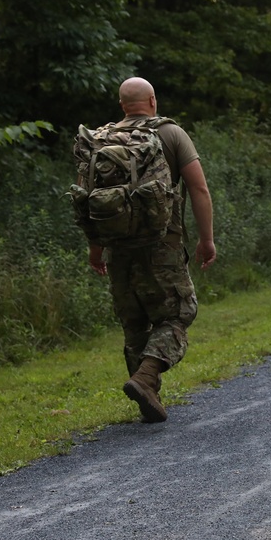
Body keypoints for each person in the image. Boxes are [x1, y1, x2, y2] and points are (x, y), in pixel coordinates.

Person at [84, 77, 217, 423]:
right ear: (153, 101)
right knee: (178, 313)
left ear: (121, 105)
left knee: (134, 322)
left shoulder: (102, 140)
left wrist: (95, 248)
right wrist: (207, 240)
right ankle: (146, 377)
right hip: (163, 245)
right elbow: (198, 188)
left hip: (118, 248)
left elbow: (92, 203)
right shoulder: (170, 134)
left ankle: (148, 392)